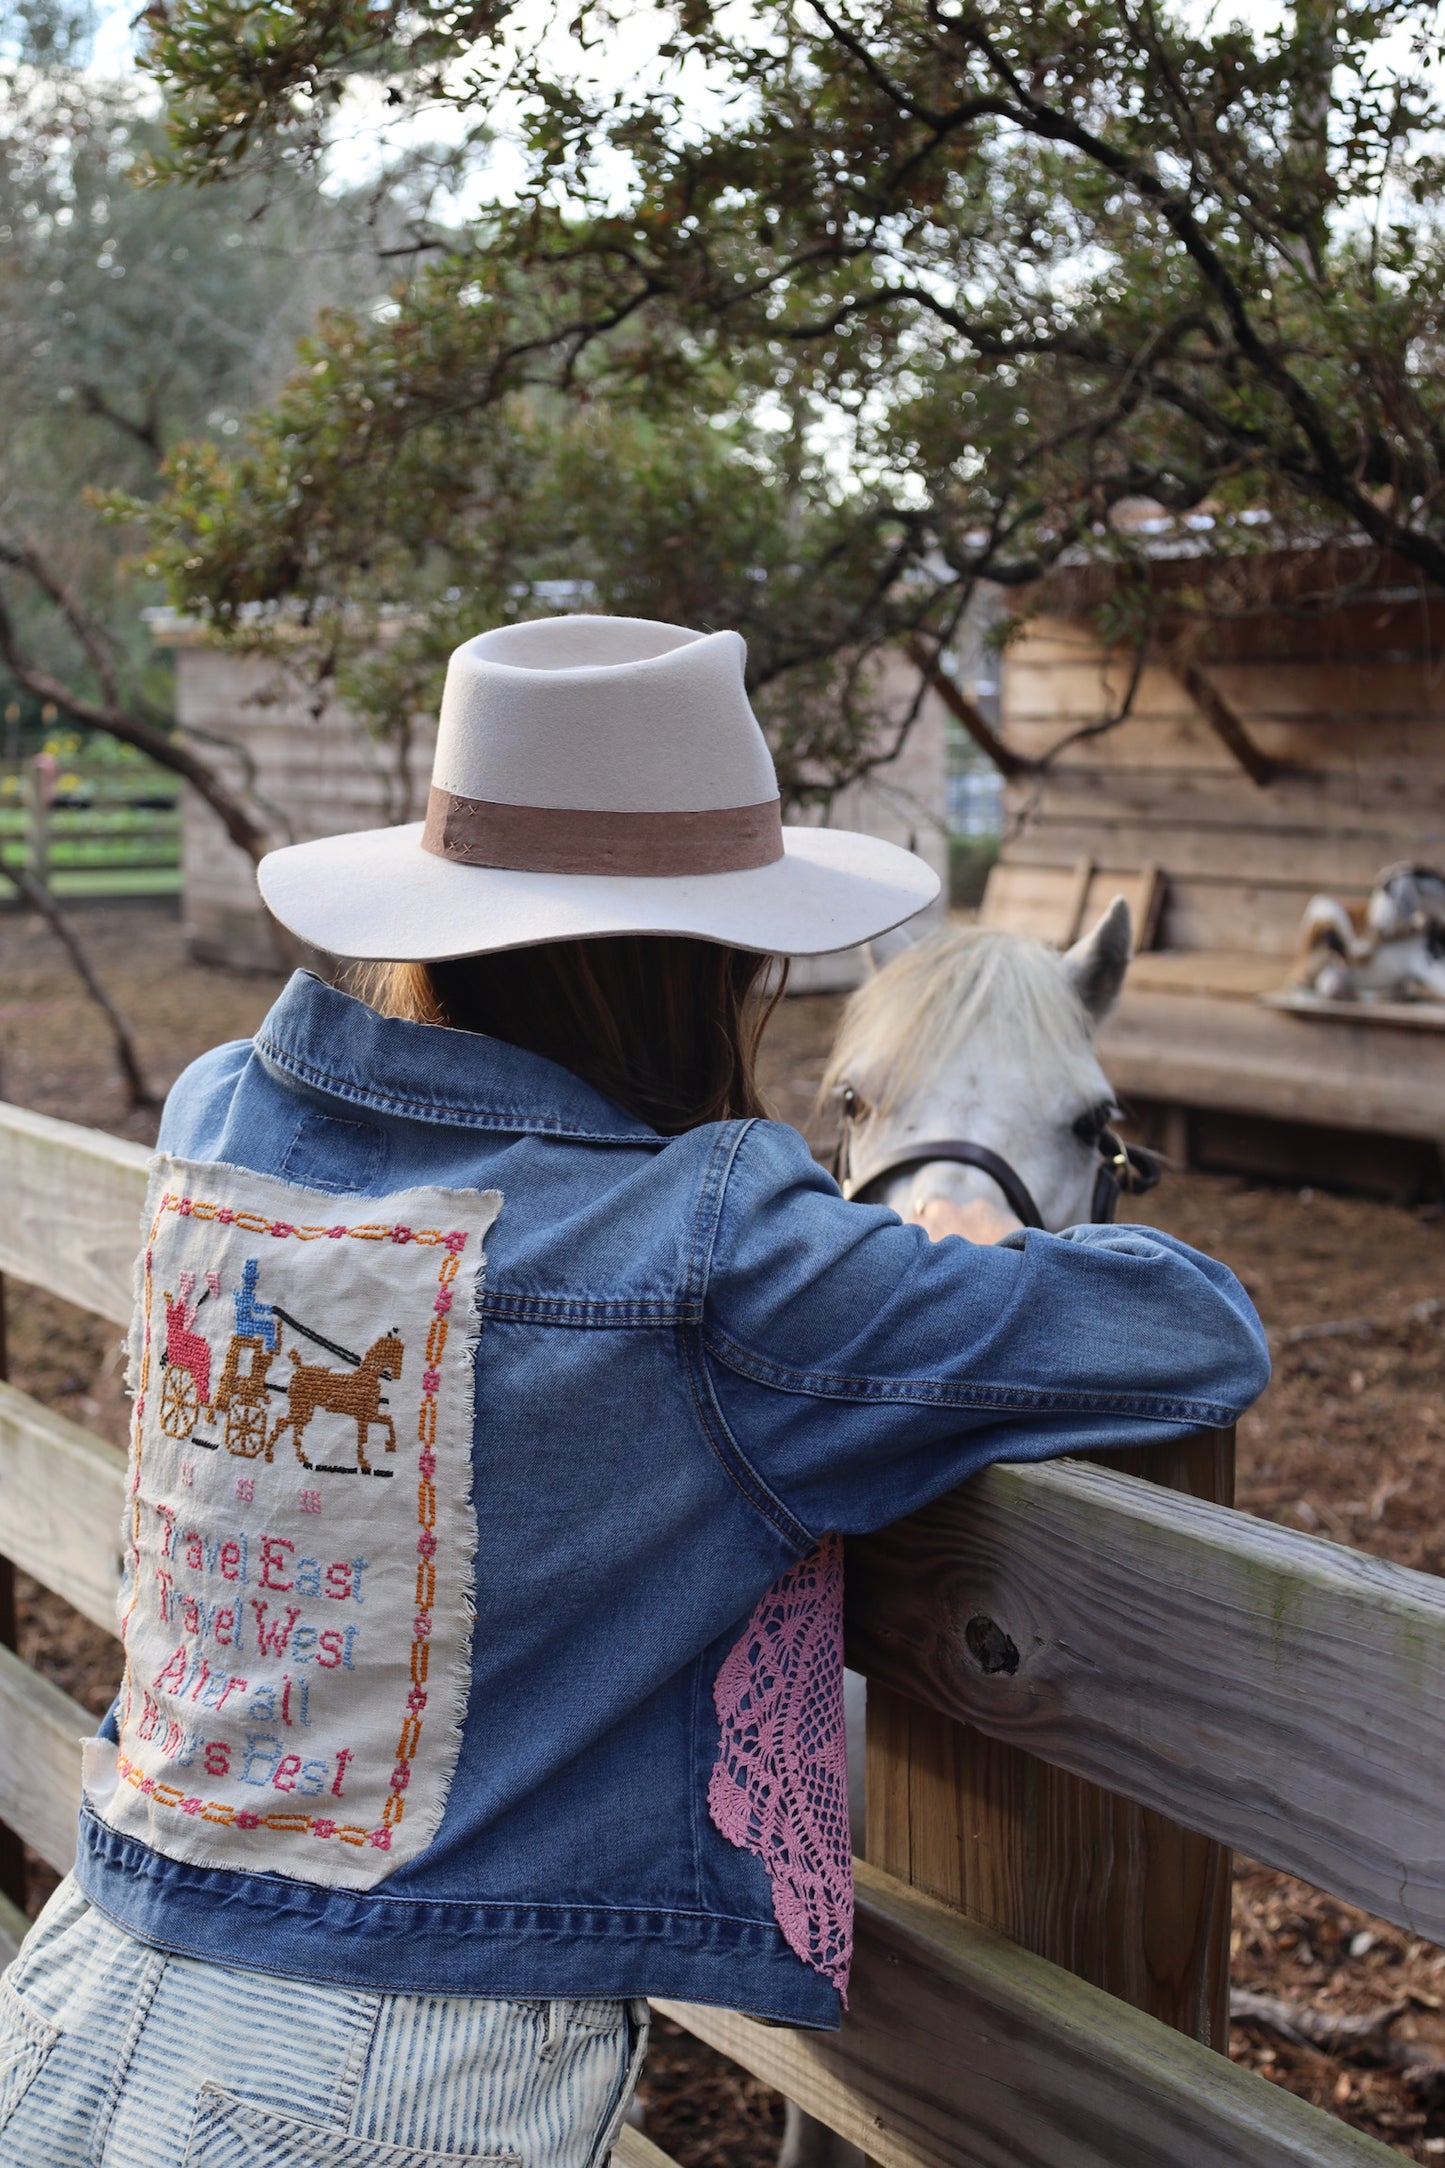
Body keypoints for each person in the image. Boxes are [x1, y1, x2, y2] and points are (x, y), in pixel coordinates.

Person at [0, 616, 1268, 2167]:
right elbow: (1196, 1333)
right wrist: (944, 1258)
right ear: (707, 966)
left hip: (84, 1970)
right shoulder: (721, 1259)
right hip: (395, 2075)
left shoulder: (222, 1118)